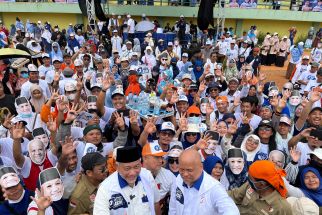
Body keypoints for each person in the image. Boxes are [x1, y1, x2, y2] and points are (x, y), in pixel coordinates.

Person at [169, 149, 240, 215]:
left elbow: (231, 210)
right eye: (181, 169)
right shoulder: (178, 179)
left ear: (201, 167)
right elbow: (173, 207)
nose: (185, 174)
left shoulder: (215, 188)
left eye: (189, 170)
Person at [94, 146, 161, 214]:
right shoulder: (105, 187)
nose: (132, 173)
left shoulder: (147, 176)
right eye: (127, 168)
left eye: (136, 167)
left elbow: (155, 203)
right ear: (117, 167)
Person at [228, 160, 292, 215]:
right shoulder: (250, 186)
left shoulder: (282, 207)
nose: (248, 180)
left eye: (250, 178)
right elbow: (233, 195)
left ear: (262, 184)